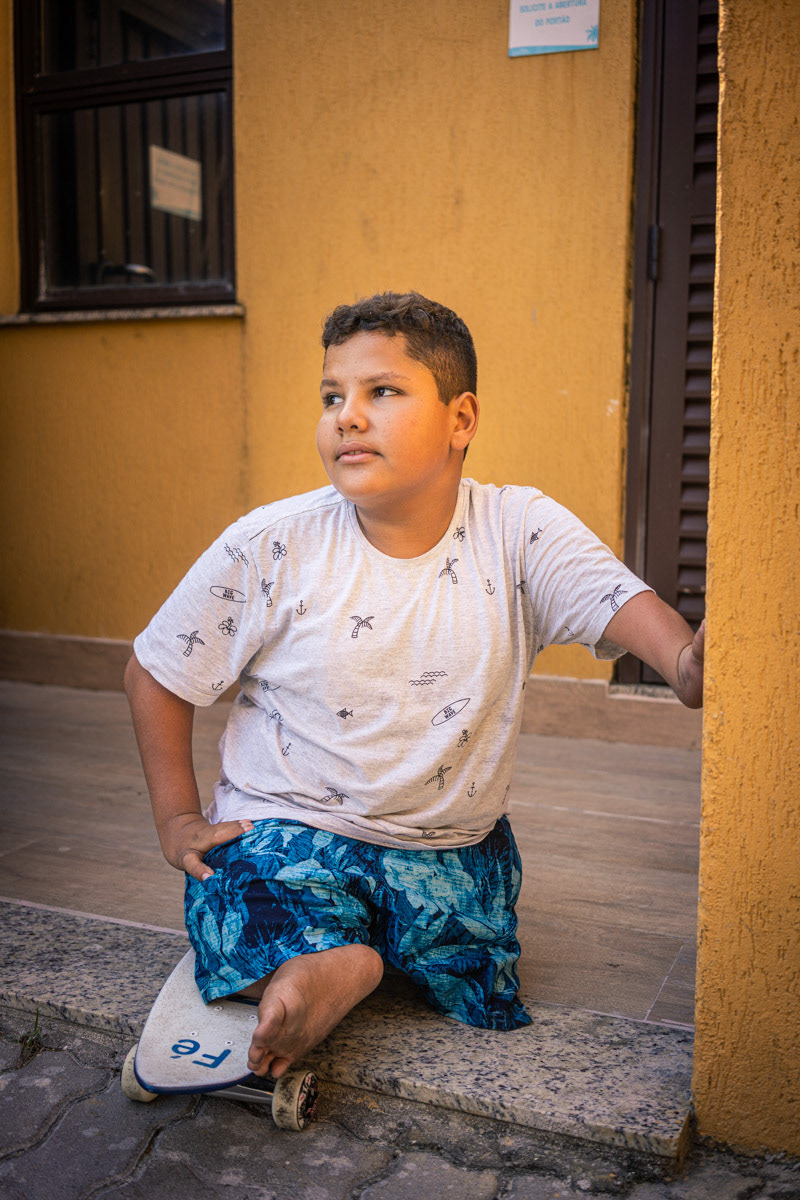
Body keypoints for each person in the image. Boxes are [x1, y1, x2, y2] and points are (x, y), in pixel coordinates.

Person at [125, 291, 704, 1083]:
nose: (347, 417)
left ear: (460, 419)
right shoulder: (273, 543)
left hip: (447, 851)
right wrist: (177, 818)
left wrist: (688, 661)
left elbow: (637, 619)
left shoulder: (517, 529)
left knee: (480, 987)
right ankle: (326, 969)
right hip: (292, 829)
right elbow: (156, 670)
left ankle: (351, 951)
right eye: (332, 396)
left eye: (382, 392)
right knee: (237, 904)